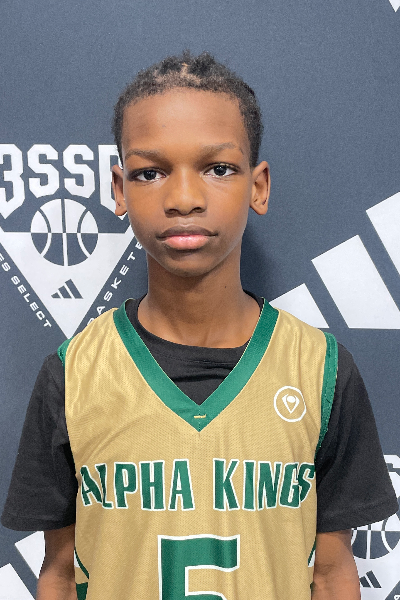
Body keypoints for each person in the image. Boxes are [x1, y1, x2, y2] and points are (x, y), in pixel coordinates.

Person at [2, 51, 398, 600]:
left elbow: (331, 575)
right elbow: (61, 574)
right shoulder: (74, 375)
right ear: (119, 189)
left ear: (258, 186)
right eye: (150, 173)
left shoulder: (320, 371)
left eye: (218, 169)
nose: (184, 199)